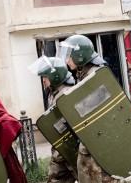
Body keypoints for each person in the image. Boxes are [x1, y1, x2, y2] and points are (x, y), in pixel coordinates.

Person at [58, 34, 126, 183]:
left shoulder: (95, 76)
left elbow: (96, 111)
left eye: (69, 56)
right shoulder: (83, 75)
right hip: (90, 143)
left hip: (101, 144)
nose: (67, 60)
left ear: (79, 56)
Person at [30, 55, 77, 183]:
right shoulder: (54, 92)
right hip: (61, 152)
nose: (43, 80)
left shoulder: (66, 93)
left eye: (45, 76)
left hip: (72, 151)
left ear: (55, 75)